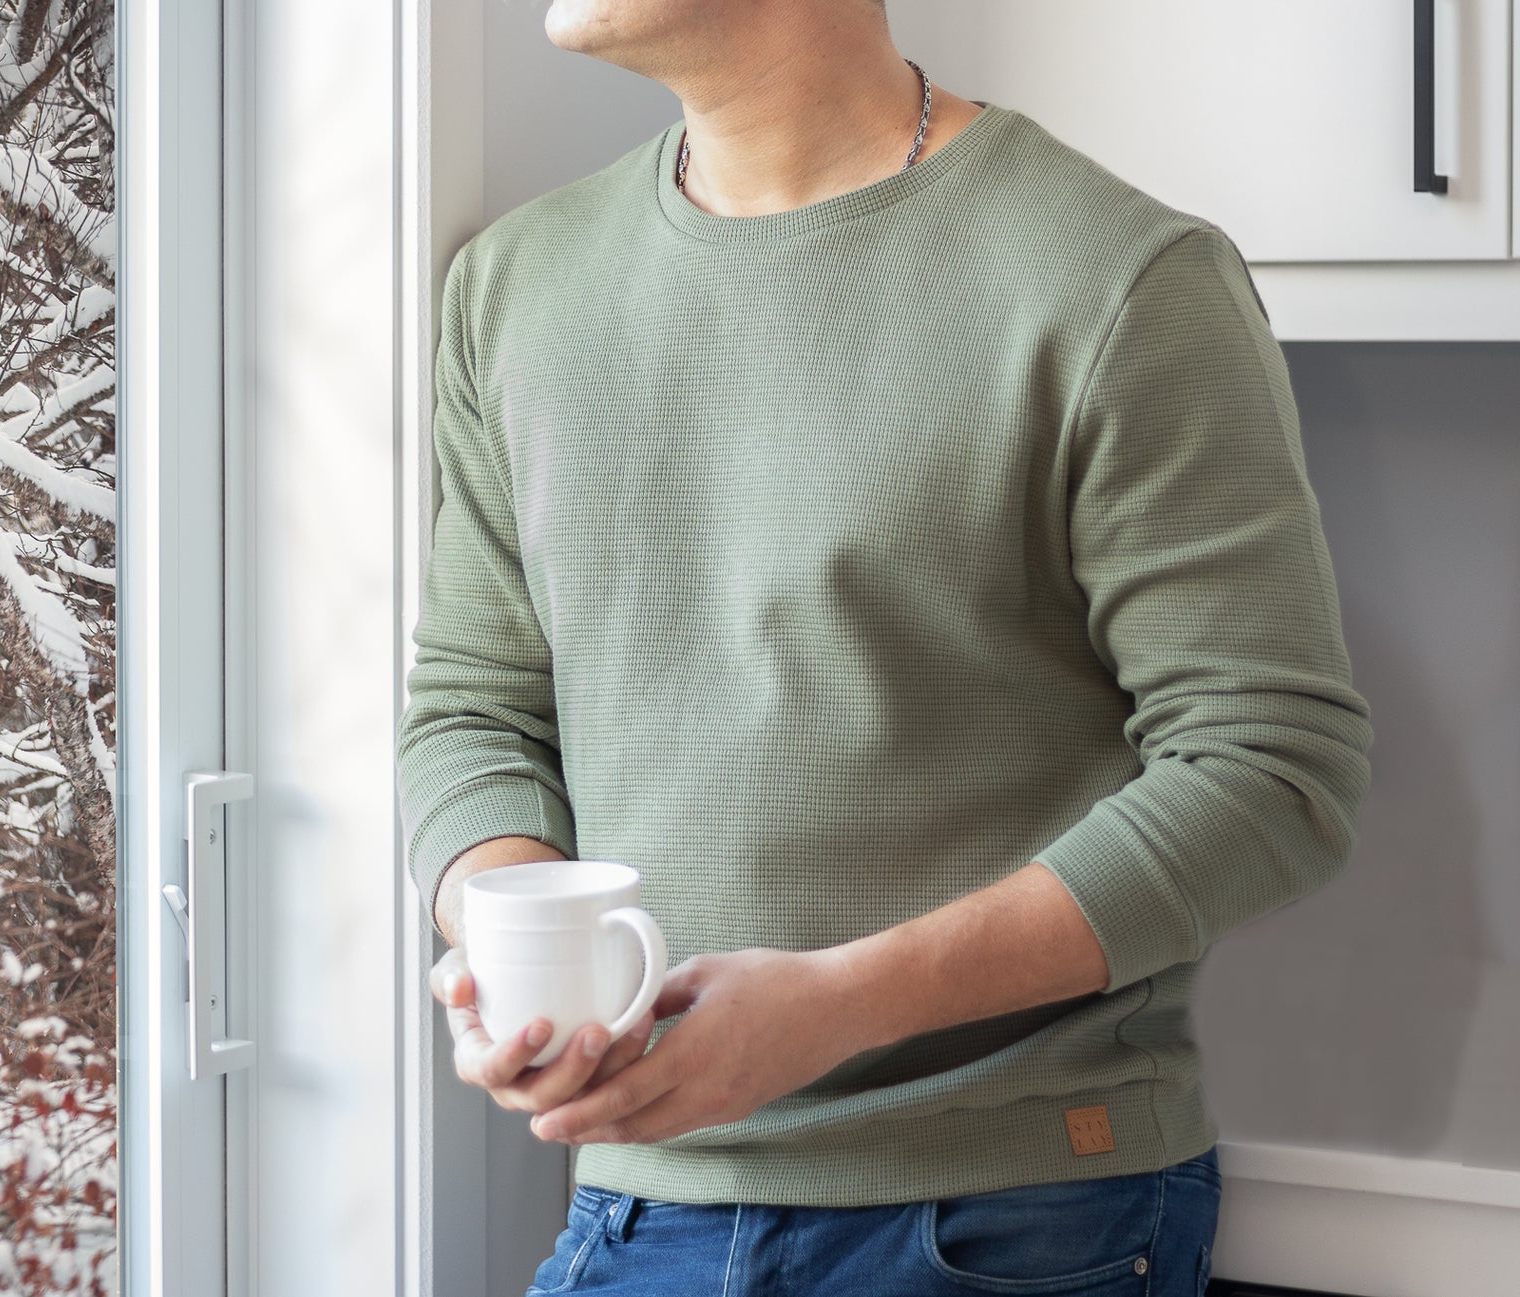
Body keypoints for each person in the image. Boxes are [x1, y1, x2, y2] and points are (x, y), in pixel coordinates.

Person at [394, 1, 1374, 1292]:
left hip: (1014, 1219)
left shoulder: (1120, 279)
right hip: (635, 1216)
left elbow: (1270, 772)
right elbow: (473, 707)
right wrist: (514, 946)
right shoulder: (513, 285)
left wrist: (840, 1004)